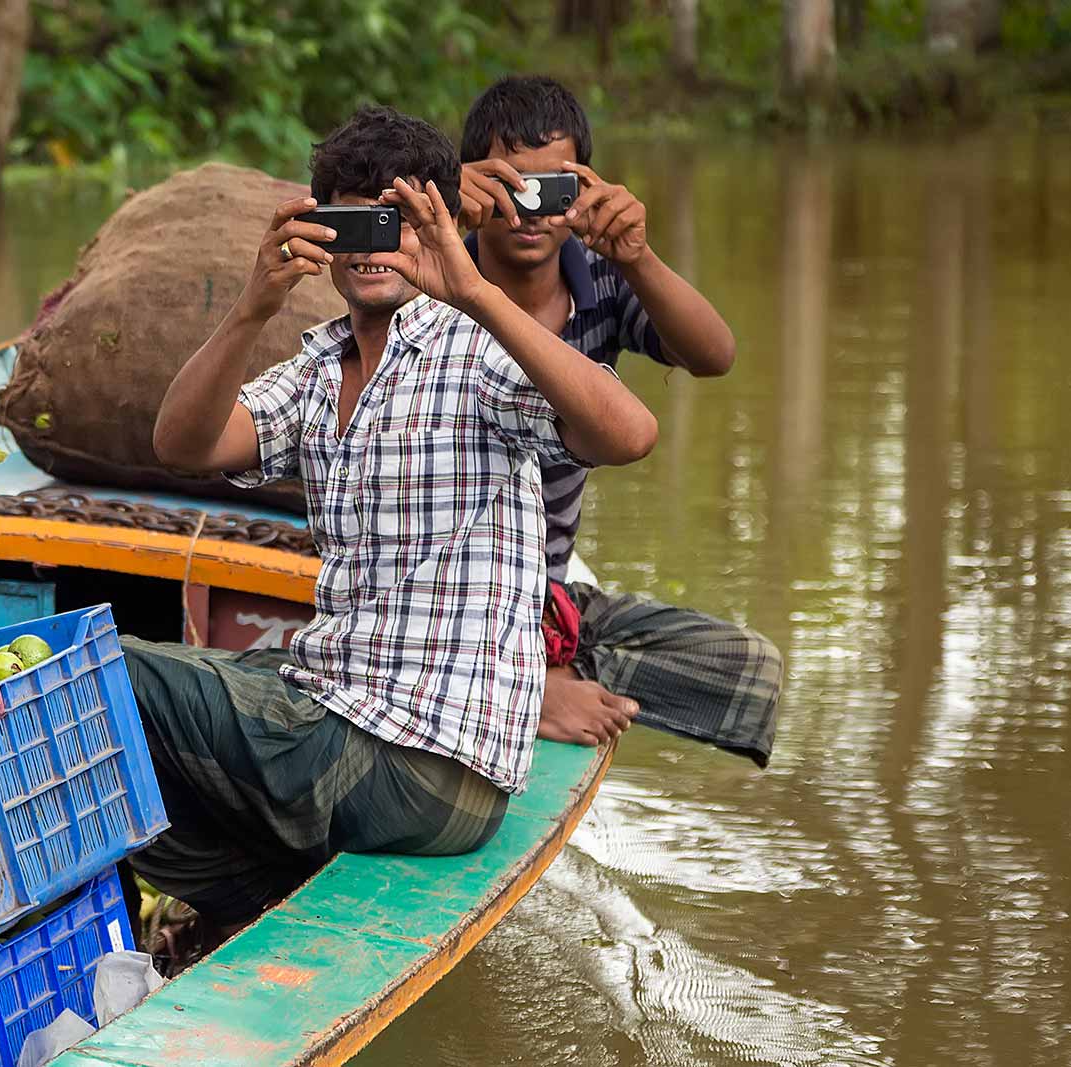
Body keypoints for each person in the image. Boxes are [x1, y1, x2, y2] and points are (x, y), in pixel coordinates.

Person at [134, 105, 658, 948]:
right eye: (351, 222)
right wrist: (247, 309)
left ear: (441, 225)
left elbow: (630, 433)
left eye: (398, 220)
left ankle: (243, 877)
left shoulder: (478, 350)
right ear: (320, 236)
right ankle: (248, 892)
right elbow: (185, 443)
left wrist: (477, 289)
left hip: (426, 764)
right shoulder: (318, 365)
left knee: (117, 674)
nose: (373, 247)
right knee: (162, 719)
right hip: (343, 707)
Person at [457, 75, 783, 762]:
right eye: (509, 188)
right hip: (447, 584)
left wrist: (635, 255)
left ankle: (552, 672)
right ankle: (524, 684)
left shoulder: (599, 281)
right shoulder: (437, 279)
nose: (529, 212)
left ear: (583, 192)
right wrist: (438, 219)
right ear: (475, 186)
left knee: (749, 670)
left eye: (552, 192)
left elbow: (715, 355)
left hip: (540, 589)